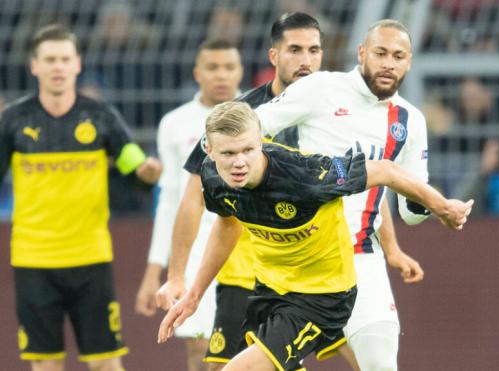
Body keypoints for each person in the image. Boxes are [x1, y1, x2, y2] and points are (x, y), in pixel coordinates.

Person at [157, 101, 474, 371]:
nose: (239, 162)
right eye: (228, 153)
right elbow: (228, 225)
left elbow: (387, 171)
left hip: (323, 296)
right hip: (271, 289)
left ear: (262, 141)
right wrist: (195, 293)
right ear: (209, 152)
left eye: (248, 150)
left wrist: (442, 206)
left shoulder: (308, 175)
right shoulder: (214, 180)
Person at [156, 12, 336, 370]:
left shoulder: (337, 114)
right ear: (274, 56)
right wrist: (177, 275)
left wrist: (386, 247)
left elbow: (369, 181)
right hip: (246, 274)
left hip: (318, 272)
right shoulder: (240, 115)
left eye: (313, 50)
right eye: (295, 50)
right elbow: (193, 195)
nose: (305, 60)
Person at [250, 19, 433, 370]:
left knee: (380, 365)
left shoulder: (411, 120)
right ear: (362, 53)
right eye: (380, 53)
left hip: (362, 257)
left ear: (409, 62)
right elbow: (255, 127)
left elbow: (410, 211)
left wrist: (430, 204)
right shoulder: (321, 89)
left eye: (398, 56)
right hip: (306, 256)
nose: (388, 63)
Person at [0, 24, 162, 371]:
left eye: (64, 59)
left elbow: (136, 169)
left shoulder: (101, 117)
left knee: (106, 362)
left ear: (77, 64)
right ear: (34, 66)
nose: (57, 67)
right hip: (33, 259)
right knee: (45, 365)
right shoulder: (13, 120)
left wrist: (147, 174)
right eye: (50, 59)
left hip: (90, 258)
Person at [134, 39, 243, 371]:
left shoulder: (260, 115)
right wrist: (155, 271)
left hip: (246, 245)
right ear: (198, 73)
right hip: (195, 249)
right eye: (212, 67)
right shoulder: (175, 123)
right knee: (200, 350)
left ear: (240, 72)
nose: (221, 75)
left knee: (246, 352)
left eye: (228, 67)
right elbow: (168, 201)